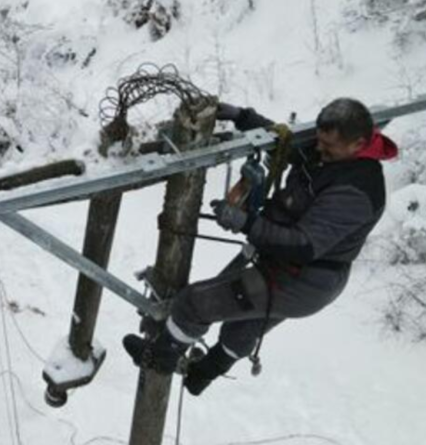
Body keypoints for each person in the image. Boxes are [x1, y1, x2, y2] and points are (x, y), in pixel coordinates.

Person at [123, 97, 398, 396]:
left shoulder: (356, 191)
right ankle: (204, 373)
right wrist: (242, 116)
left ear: (358, 144)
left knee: (195, 303)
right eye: (319, 142)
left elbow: (304, 245)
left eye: (327, 147)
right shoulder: (332, 154)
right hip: (294, 270)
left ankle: (158, 359)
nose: (319, 149)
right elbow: (285, 144)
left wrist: (246, 224)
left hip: (299, 278)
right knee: (243, 328)